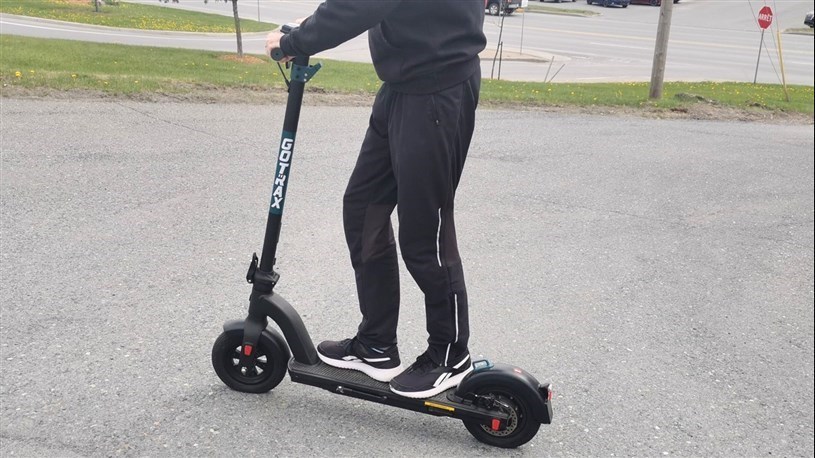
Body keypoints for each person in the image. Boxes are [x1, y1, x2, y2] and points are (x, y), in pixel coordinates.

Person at [266, 0, 486, 399]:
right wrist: (310, 26)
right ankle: (376, 343)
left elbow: (361, 5)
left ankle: (451, 354)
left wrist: (294, 41)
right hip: (403, 86)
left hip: (437, 90)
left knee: (424, 234)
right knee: (364, 208)